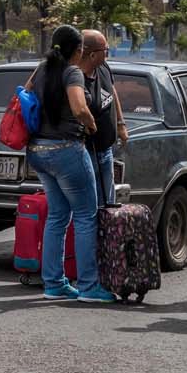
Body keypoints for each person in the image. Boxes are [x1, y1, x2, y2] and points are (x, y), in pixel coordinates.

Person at [26, 25, 116, 303]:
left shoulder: (42, 69)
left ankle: (53, 283)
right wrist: (90, 125)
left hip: (38, 150)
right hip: (67, 150)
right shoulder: (72, 71)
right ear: (78, 50)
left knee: (57, 216)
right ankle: (89, 286)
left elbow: (25, 95)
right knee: (86, 216)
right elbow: (79, 107)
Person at [81, 30, 129, 206]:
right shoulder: (76, 79)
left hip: (106, 148)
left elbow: (112, 91)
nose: (108, 53)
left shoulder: (103, 67)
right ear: (93, 54)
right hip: (87, 150)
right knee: (92, 204)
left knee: (108, 202)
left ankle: (105, 233)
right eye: (105, 50)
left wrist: (121, 123)